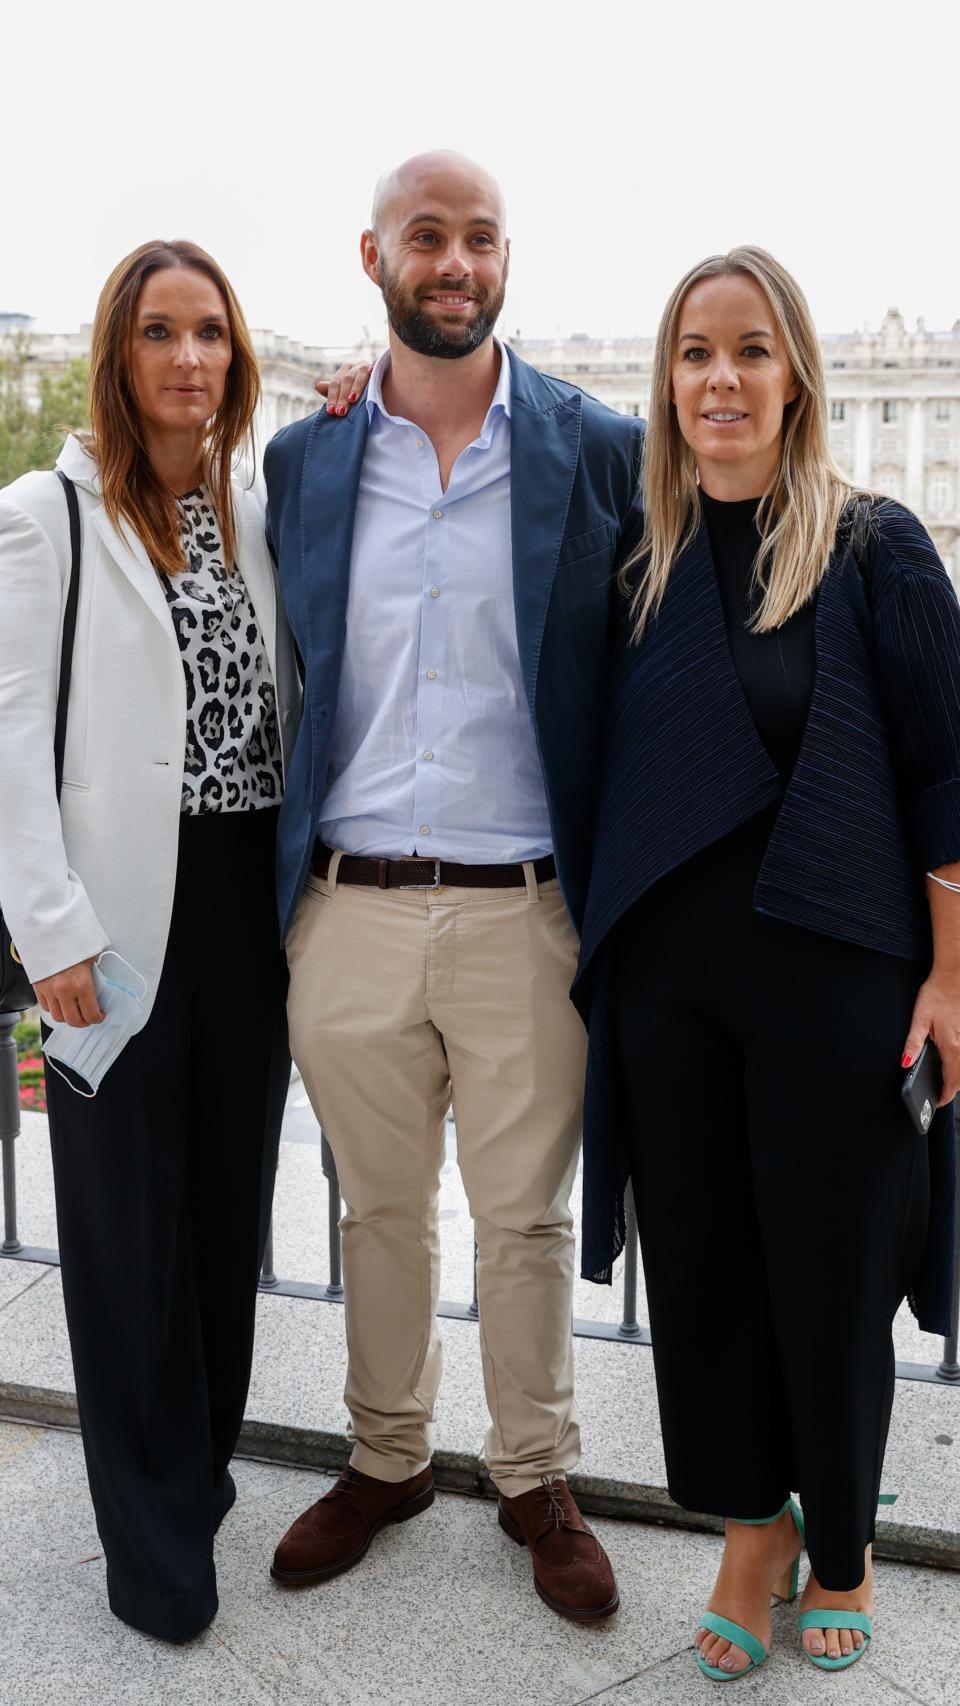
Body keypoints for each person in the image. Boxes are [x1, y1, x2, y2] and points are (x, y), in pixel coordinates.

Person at [263, 151, 643, 1621]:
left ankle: (535, 1473)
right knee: (376, 1206)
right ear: (374, 257)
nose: (458, 261)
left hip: (526, 905)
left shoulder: (590, 445)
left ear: (504, 258)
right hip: (348, 905)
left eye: (482, 237)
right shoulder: (311, 456)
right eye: (429, 235)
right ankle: (386, 1455)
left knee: (528, 1218)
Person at [574, 246, 959, 1678]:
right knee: (713, 1271)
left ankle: (844, 1539)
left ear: (797, 373)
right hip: (672, 989)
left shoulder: (875, 547)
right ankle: (754, 1525)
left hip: (839, 977)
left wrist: (953, 978)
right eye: (693, 354)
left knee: (836, 1268)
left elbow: (947, 777)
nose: (720, 378)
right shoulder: (639, 556)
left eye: (750, 350)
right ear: (665, 382)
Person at [0, 240, 300, 1640]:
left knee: (224, 1212)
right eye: (158, 333)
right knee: (124, 1234)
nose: (190, 359)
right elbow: (6, 744)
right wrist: (48, 929)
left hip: (249, 906)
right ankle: (151, 1538)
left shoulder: (253, 502)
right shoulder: (42, 516)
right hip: (113, 921)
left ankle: (197, 1470)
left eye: (212, 335)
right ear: (116, 355)